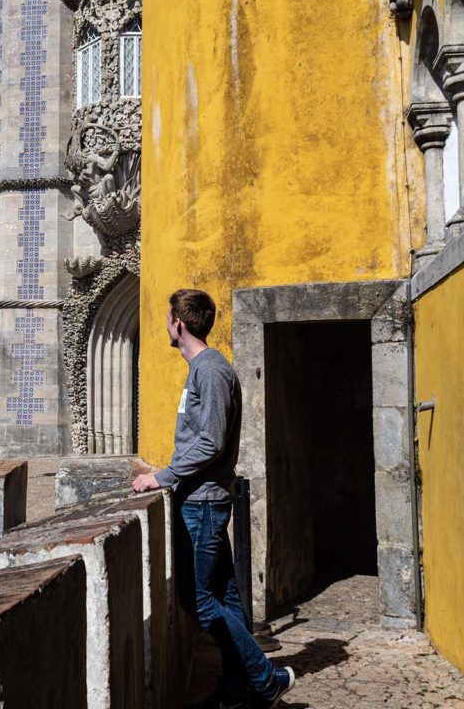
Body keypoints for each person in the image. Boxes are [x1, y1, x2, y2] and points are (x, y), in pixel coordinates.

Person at [132, 289, 295, 709]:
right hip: (200, 498)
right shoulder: (202, 369)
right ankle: (239, 687)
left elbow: (211, 442)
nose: (166, 325)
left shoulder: (212, 370)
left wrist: (161, 478)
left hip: (203, 502)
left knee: (198, 600)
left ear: (179, 324)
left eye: (169, 318)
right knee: (224, 597)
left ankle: (265, 678)